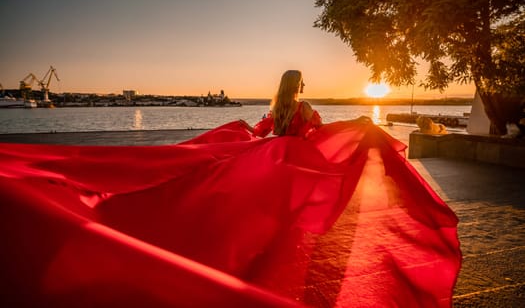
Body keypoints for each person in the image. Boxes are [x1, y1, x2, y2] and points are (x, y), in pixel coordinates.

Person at [0, 70, 461, 307]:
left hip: (270, 162)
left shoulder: (277, 108)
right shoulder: (304, 111)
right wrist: (359, 127)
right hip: (290, 165)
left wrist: (247, 140)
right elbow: (317, 134)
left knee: (252, 203)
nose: (303, 86)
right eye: (302, 83)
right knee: (294, 208)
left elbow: (262, 134)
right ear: (298, 86)